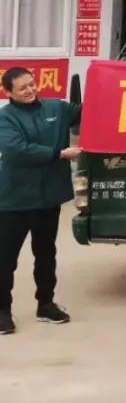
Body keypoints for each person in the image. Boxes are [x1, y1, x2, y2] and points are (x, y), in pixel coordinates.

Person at [0, 67, 82, 335]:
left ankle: (45, 304)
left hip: (48, 199)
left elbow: (88, 112)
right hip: (14, 201)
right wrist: (58, 154)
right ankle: (2, 312)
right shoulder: (5, 118)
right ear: (8, 92)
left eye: (31, 84)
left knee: (46, 254)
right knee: (5, 259)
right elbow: (16, 150)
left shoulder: (56, 108)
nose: (30, 90)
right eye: (22, 88)